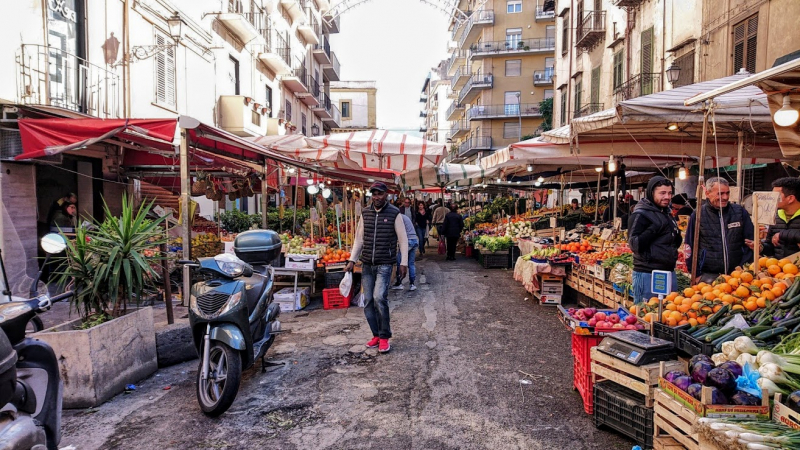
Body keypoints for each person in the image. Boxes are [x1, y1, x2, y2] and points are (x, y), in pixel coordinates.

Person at [345, 182, 409, 354]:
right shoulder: (365, 213)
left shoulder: (395, 213)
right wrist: (352, 260)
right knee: (368, 302)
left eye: (380, 194)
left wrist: (403, 262)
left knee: (379, 297)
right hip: (367, 264)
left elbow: (403, 240)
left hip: (385, 264)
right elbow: (359, 239)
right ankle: (376, 334)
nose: (376, 197)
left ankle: (384, 336)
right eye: (374, 194)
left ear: (386, 195)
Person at [685, 177, 754, 283]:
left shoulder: (739, 212)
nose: (725, 197)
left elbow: (750, 241)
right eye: (720, 194)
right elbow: (689, 246)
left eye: (727, 193)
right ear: (707, 193)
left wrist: (744, 268)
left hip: (737, 275)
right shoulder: (698, 214)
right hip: (708, 275)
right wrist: (696, 274)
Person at [627, 176, 682, 304]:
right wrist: (654, 229)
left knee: (670, 315)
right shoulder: (640, 214)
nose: (667, 197)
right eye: (662, 193)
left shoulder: (667, 213)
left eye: (669, 193)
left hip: (668, 272)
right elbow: (635, 245)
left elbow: (674, 241)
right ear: (652, 193)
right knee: (646, 315)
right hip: (647, 273)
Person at [760, 177, 800, 259]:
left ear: (790, 198)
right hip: (780, 269)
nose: (772, 199)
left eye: (775, 196)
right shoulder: (775, 216)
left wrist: (782, 234)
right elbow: (771, 246)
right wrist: (761, 247)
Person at [391, 214, 419, 291]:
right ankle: (412, 284)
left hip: (407, 241)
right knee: (411, 264)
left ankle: (399, 283)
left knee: (400, 262)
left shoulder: (397, 218)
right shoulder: (405, 217)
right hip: (414, 239)